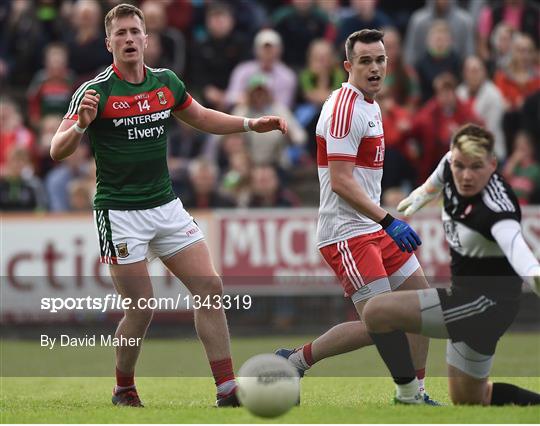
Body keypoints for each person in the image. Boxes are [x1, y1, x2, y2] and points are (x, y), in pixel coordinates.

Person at [50, 3, 287, 408]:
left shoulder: (165, 83)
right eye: (120, 33)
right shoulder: (96, 91)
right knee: (142, 310)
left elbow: (202, 118)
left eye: (134, 31)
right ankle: (124, 387)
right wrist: (82, 126)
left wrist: (249, 123)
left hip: (165, 205)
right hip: (119, 213)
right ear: (108, 42)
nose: (128, 39)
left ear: (147, 39)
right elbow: (57, 149)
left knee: (210, 286)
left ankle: (227, 388)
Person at [276, 29, 439, 405]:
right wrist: (389, 220)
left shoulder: (371, 104)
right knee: (381, 324)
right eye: (365, 61)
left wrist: (383, 221)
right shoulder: (343, 107)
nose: (374, 67)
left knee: (425, 307)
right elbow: (340, 181)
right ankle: (296, 360)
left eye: (380, 59)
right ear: (348, 66)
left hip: (373, 226)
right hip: (347, 233)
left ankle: (412, 394)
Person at [363, 123, 540, 406]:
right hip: (467, 297)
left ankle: (408, 395)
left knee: (376, 312)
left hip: (486, 306)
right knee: (471, 399)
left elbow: (516, 247)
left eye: (476, 167)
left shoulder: (497, 210)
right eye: (460, 166)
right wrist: (422, 194)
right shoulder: (451, 164)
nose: (465, 176)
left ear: (493, 164)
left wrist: (534, 275)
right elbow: (440, 175)